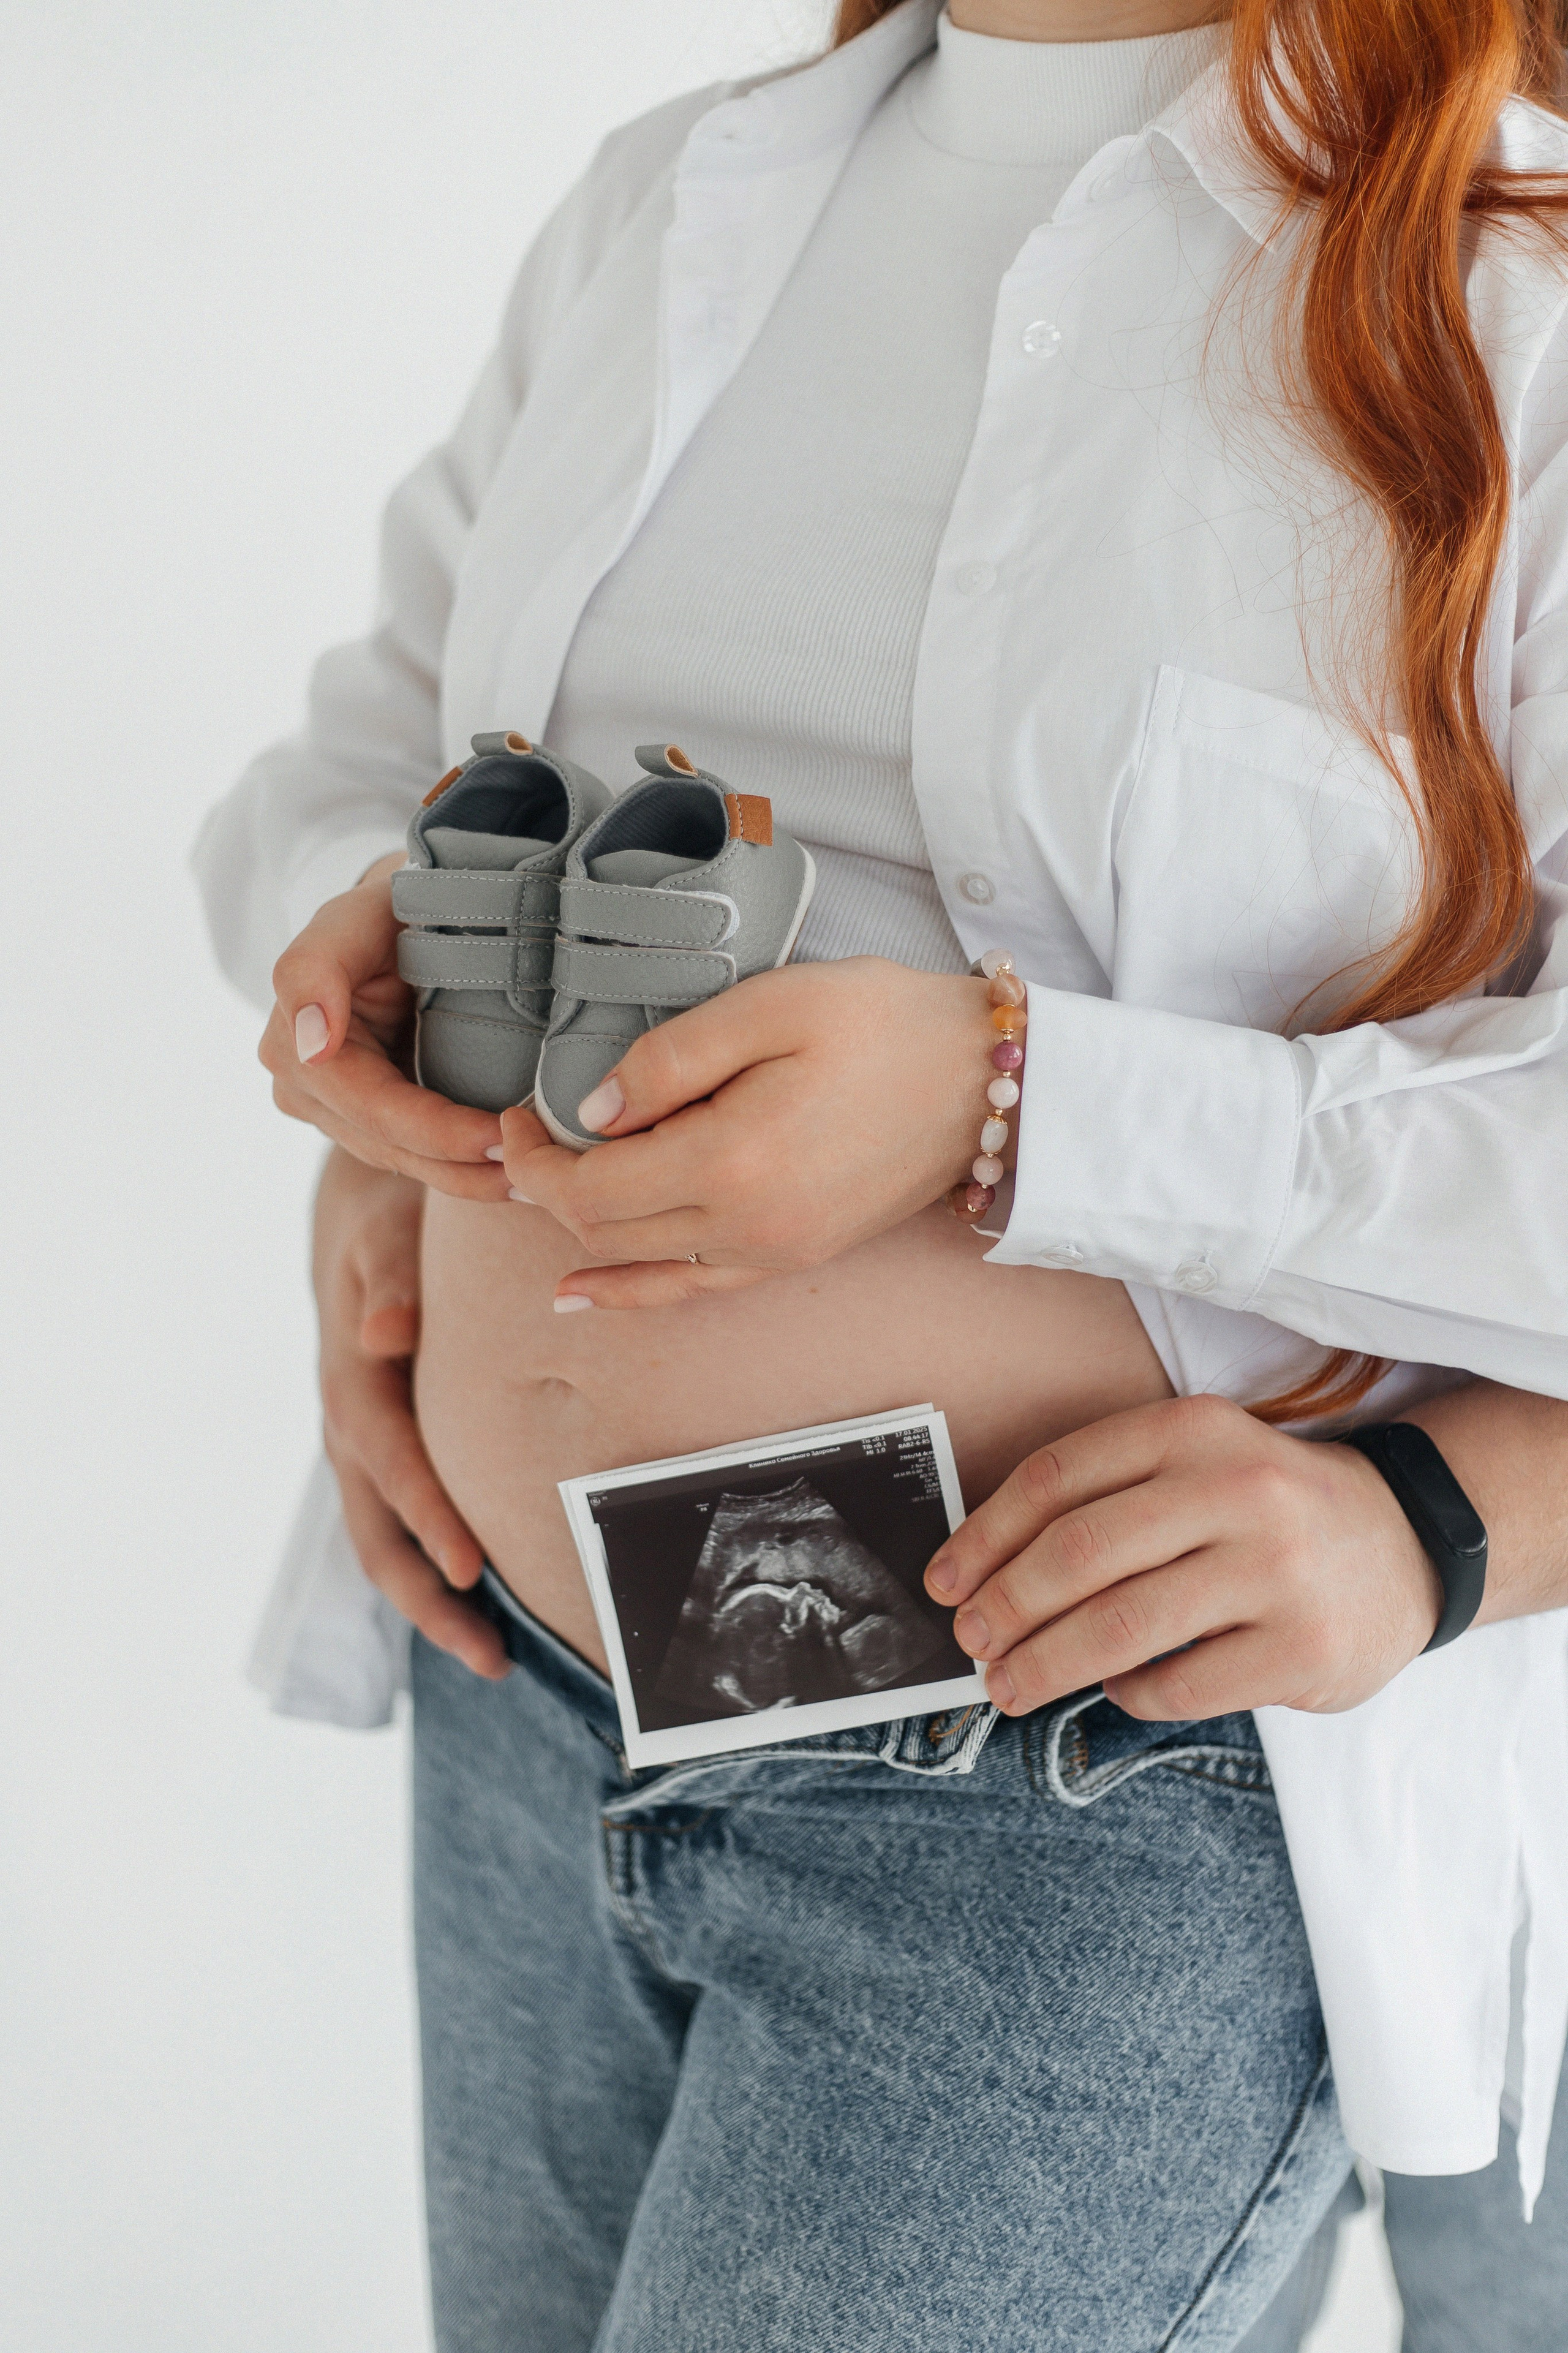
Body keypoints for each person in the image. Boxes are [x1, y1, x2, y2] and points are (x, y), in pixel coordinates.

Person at [195, 1, 1568, 2347]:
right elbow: (364, 735)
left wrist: (1020, 1101)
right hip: (527, 1706)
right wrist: (372, 1030)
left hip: (1062, 1792)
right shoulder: (671, 198)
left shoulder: (1506, 297)